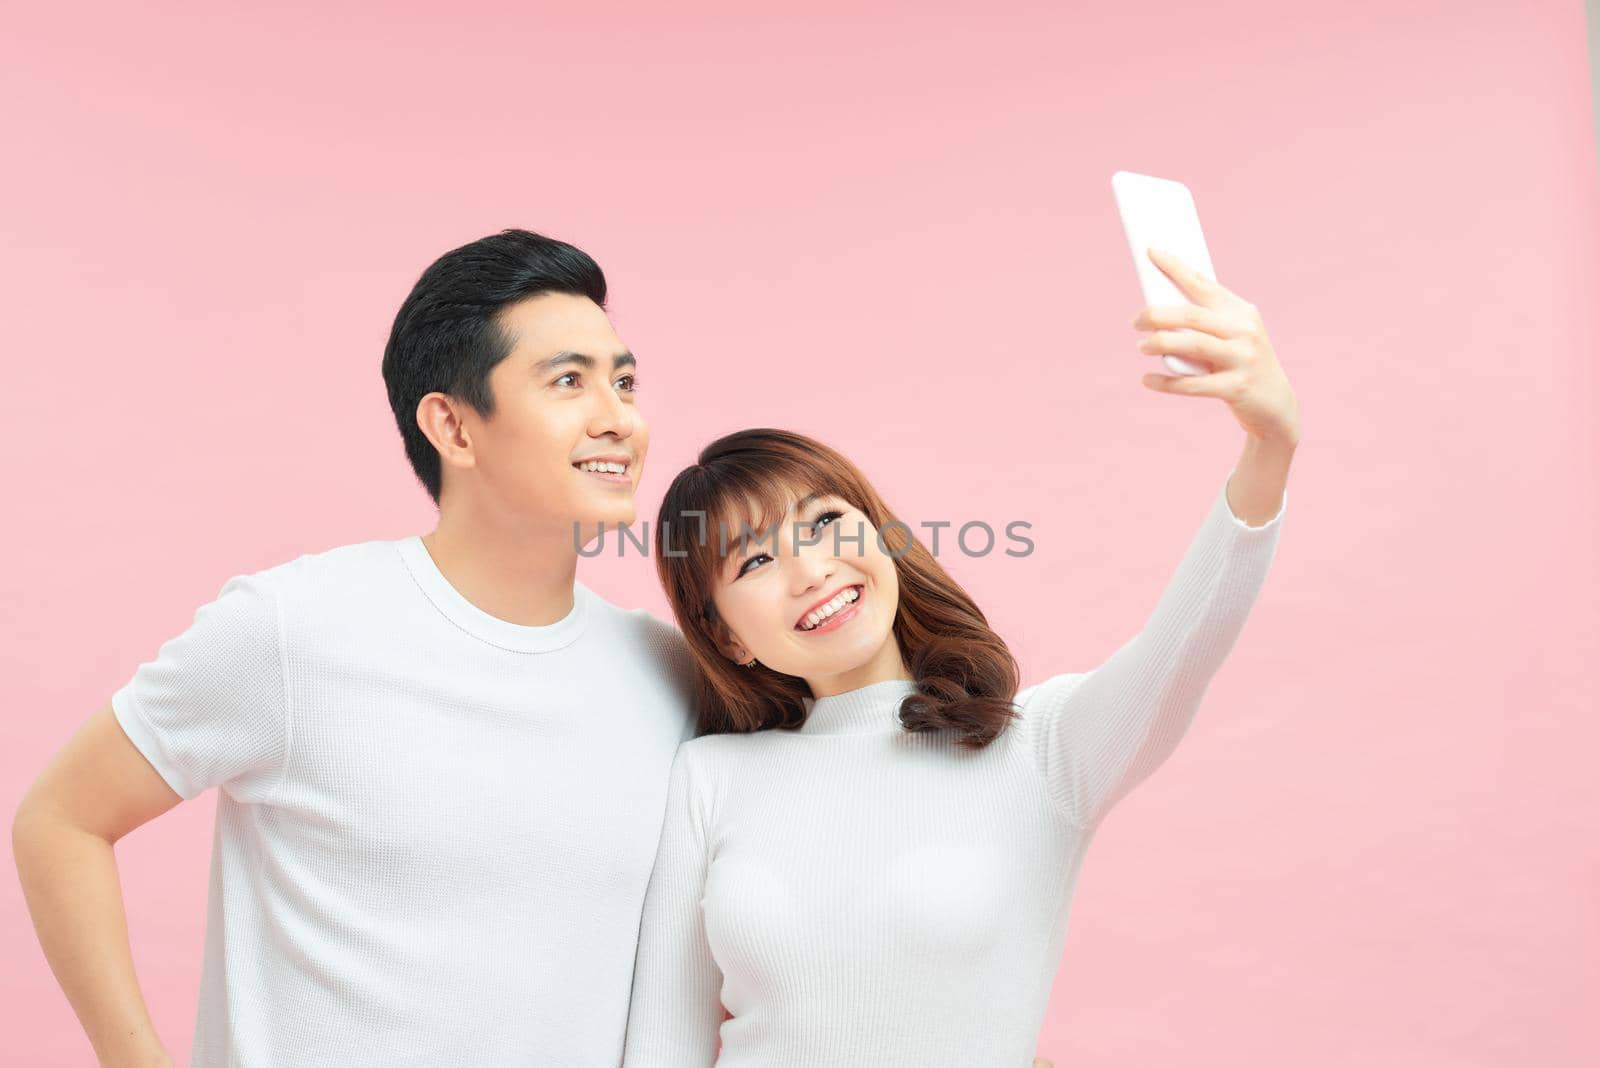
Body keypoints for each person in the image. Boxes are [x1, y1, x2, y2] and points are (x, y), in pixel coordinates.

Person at [12, 230, 698, 1066]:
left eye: (624, 381)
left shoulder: (669, 675)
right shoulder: (293, 630)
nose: (619, 419)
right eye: (569, 382)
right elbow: (61, 820)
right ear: (453, 426)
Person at [621, 249, 1299, 1066]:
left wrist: (1270, 443)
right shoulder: (710, 778)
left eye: (826, 521)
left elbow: (1186, 641)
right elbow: (664, 1042)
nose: (812, 570)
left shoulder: (1041, 748)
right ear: (725, 634)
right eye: (755, 561)